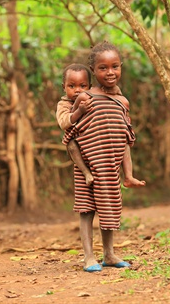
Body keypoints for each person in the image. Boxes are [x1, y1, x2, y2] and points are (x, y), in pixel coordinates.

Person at [63, 40, 146, 273]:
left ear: (121, 68)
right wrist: (84, 168)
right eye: (103, 68)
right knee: (87, 210)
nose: (110, 72)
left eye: (115, 66)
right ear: (93, 71)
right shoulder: (84, 98)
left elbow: (125, 140)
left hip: (111, 167)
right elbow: (70, 135)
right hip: (87, 168)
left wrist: (128, 174)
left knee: (109, 209)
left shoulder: (122, 102)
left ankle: (109, 254)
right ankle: (89, 257)